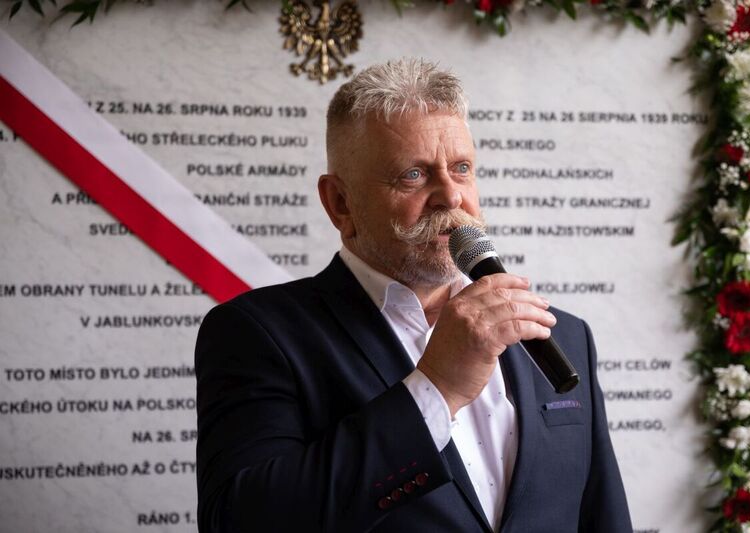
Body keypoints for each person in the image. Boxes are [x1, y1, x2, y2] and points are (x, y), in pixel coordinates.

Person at [195, 58, 632, 533]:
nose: (451, 196)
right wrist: (436, 388)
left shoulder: (560, 333)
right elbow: (240, 520)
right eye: (414, 175)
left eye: (461, 168)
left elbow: (601, 515)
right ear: (340, 203)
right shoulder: (257, 333)